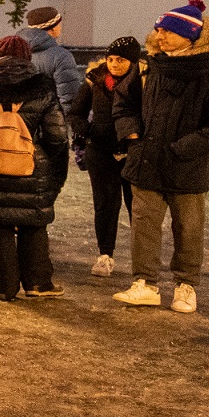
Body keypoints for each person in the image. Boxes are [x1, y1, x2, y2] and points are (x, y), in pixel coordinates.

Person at [112, 0, 209, 315]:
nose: (161, 35)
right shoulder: (147, 67)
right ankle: (145, 283)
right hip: (146, 161)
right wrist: (132, 134)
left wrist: (183, 148)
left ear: (192, 36)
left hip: (188, 165)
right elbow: (123, 103)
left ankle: (186, 285)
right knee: (143, 224)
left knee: (189, 227)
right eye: (159, 29)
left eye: (169, 30)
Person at [0, 34, 69, 302]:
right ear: (27, 59)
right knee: (33, 224)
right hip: (31, 166)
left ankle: (4, 287)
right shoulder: (42, 89)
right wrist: (50, 166)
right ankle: (38, 283)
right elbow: (57, 136)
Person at [66, 36, 142, 278]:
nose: (114, 64)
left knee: (138, 207)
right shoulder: (95, 81)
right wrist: (87, 133)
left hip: (133, 152)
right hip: (101, 151)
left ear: (132, 61)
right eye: (110, 59)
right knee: (105, 205)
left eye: (120, 60)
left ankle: (142, 259)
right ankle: (105, 254)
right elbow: (76, 111)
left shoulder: (143, 82)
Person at [20, 6, 86, 112]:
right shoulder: (61, 56)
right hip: (50, 121)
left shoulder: (17, 51)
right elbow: (69, 98)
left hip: (21, 122)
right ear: (53, 27)